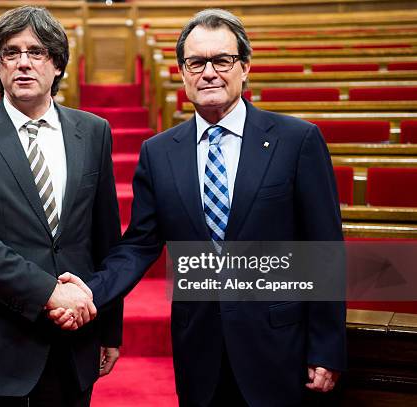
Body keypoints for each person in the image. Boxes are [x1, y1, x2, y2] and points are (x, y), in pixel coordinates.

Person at [50, 8, 346, 407]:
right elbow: (139, 246)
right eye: (196, 62)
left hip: (279, 345)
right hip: (199, 347)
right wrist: (90, 291)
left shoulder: (297, 141)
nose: (208, 72)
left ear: (244, 67)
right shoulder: (158, 153)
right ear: (183, 72)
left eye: (221, 60)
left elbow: (324, 249)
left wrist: (326, 347)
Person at [0, 6, 122, 406]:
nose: (23, 63)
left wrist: (109, 330)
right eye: (10, 52)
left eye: (37, 52)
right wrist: (50, 293)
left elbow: (105, 238)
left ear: (57, 65)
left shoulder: (93, 132)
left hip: (72, 347)